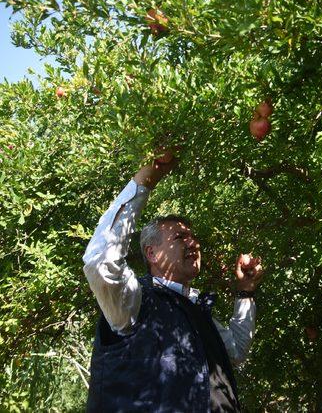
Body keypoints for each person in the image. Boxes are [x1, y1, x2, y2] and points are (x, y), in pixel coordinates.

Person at [82, 151, 264, 412]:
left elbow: (236, 351)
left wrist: (245, 292)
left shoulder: (198, 311)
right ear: (152, 253)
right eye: (180, 237)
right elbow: (100, 261)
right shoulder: (135, 302)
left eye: (193, 237)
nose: (193, 242)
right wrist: (146, 179)